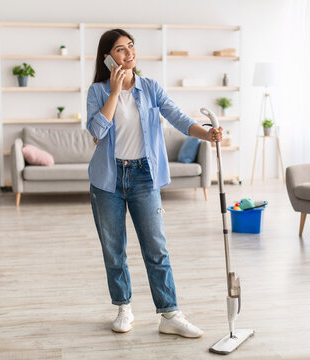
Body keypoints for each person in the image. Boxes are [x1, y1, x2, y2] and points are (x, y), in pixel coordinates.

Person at [86, 28, 223, 338]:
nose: (129, 53)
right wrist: (114, 92)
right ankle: (123, 307)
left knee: (156, 247)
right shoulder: (97, 91)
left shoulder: (150, 88)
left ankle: (169, 313)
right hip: (107, 180)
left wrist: (206, 133)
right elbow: (96, 131)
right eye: (120, 50)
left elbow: (176, 116)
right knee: (114, 249)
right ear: (108, 58)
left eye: (131, 46)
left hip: (143, 177)